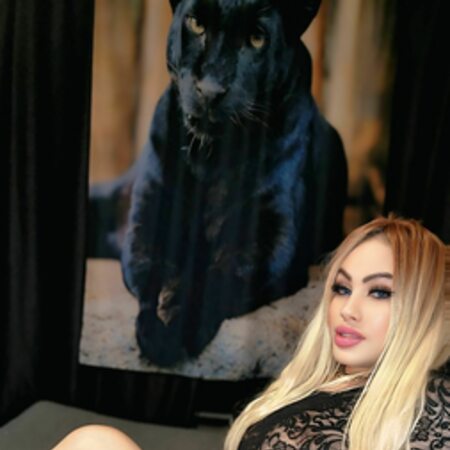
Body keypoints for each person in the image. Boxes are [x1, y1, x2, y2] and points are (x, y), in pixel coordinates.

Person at [52, 215, 450, 450]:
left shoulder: (432, 401)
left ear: (427, 308)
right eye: (342, 288)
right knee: (95, 443)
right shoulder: (315, 384)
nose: (348, 309)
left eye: (380, 292)